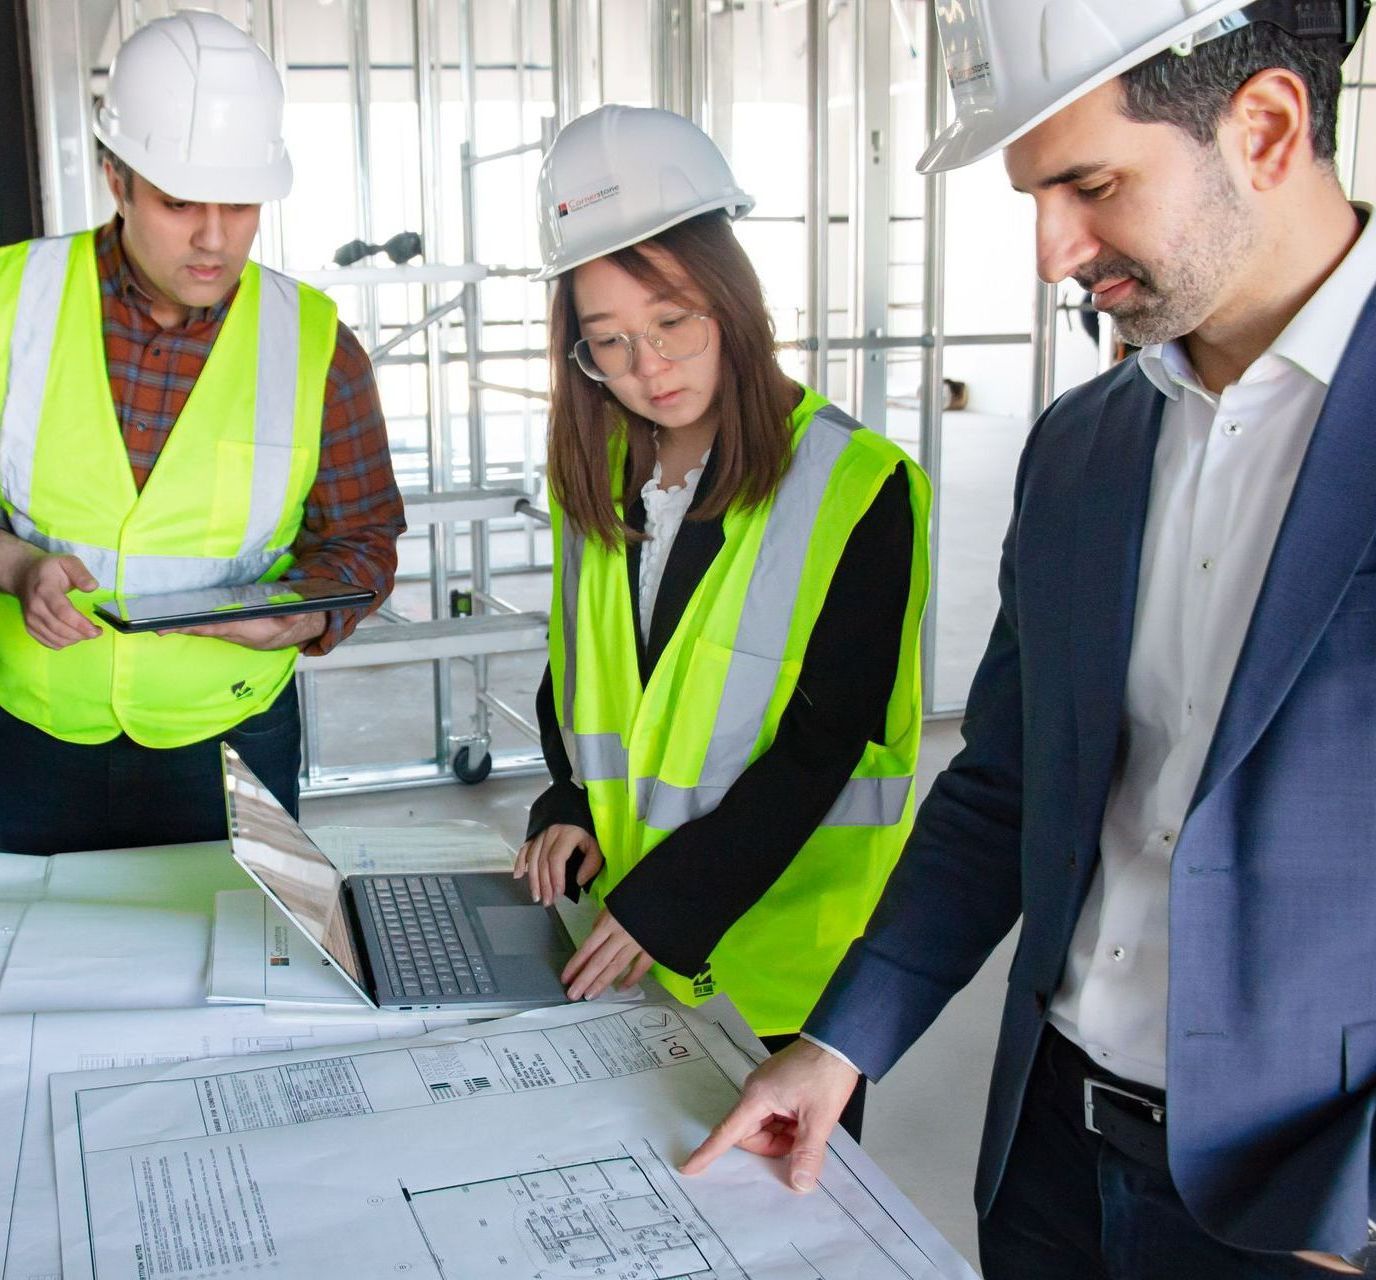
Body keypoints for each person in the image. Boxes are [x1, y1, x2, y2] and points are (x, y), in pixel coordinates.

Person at [684, 1, 1376, 1276]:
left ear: (1266, 127)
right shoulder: (1081, 448)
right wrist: (841, 1041)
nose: (1054, 250)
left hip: (1306, 1211)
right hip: (1049, 1158)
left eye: (1089, 184)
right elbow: (1001, 783)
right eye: (1032, 195)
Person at [515, 105, 930, 1137]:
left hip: (781, 976)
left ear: (732, 299)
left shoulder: (854, 484)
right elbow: (583, 671)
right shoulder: (598, 474)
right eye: (606, 343)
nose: (647, 367)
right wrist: (566, 793)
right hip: (633, 937)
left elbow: (820, 745)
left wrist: (666, 905)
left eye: (672, 322)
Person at [0, 11, 404, 855]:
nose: (216, 238)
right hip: (29, 736)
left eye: (241, 204)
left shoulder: (318, 346)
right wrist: (20, 567)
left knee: (242, 972)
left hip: (233, 736)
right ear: (116, 178)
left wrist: (296, 620)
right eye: (180, 202)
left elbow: (364, 543)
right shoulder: (11, 305)